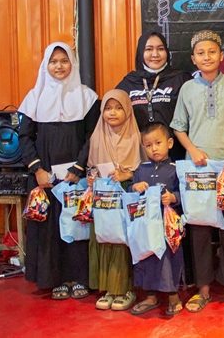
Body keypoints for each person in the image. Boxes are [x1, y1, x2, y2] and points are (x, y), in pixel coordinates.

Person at [170, 29, 224, 313]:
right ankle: (203, 289)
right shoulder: (187, 88)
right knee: (199, 231)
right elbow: (178, 127)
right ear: (193, 59)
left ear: (222, 56)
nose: (206, 57)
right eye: (200, 53)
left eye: (211, 52)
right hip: (198, 173)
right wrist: (193, 149)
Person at [18, 41, 99, 300]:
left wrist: (78, 167)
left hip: (76, 175)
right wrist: (37, 170)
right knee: (50, 228)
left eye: (64, 61)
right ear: (46, 65)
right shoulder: (34, 98)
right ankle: (54, 279)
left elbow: (92, 136)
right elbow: (24, 137)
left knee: (78, 225)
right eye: (53, 62)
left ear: (72, 63)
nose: (59, 66)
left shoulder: (87, 97)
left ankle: (80, 278)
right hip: (45, 177)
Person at [87, 89, 142, 311]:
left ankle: (125, 288)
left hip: (126, 195)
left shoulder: (136, 136)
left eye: (119, 108)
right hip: (103, 197)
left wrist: (128, 175)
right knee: (103, 238)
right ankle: (108, 289)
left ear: (128, 110)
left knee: (121, 241)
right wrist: (92, 178)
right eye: (108, 108)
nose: (113, 113)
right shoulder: (97, 136)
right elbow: (91, 166)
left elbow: (145, 169)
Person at [129, 122, 185, 316]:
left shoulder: (175, 169)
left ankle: (173, 296)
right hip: (145, 224)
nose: (154, 148)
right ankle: (150, 296)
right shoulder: (141, 169)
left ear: (169, 143)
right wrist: (135, 187)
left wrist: (173, 197)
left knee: (168, 259)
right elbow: (131, 191)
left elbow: (184, 194)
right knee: (146, 257)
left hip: (166, 225)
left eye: (158, 143)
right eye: (148, 145)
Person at [116, 31, 189, 161]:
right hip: (139, 156)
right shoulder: (128, 83)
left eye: (160, 49)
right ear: (140, 53)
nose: (155, 54)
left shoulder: (181, 79)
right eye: (149, 49)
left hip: (176, 155)